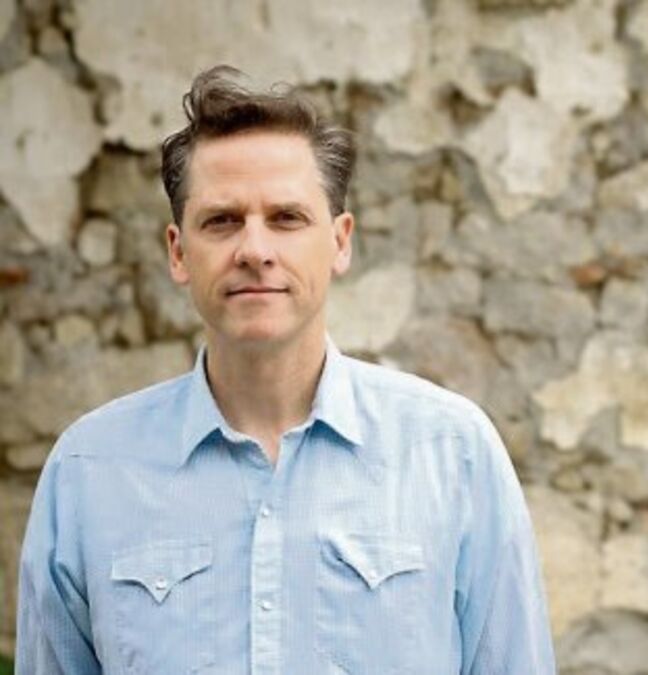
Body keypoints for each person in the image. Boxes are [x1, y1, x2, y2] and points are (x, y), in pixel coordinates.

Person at [17, 65, 556, 674]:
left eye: (286, 218)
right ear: (178, 251)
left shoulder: (452, 453)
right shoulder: (89, 470)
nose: (254, 250)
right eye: (222, 220)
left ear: (340, 242)